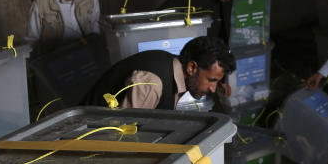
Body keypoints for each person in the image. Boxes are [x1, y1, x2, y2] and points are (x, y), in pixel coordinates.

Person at [82, 36, 235, 110]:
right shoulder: (152, 82)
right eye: (211, 80)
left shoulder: (173, 67)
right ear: (192, 68)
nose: (212, 89)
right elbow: (125, 136)